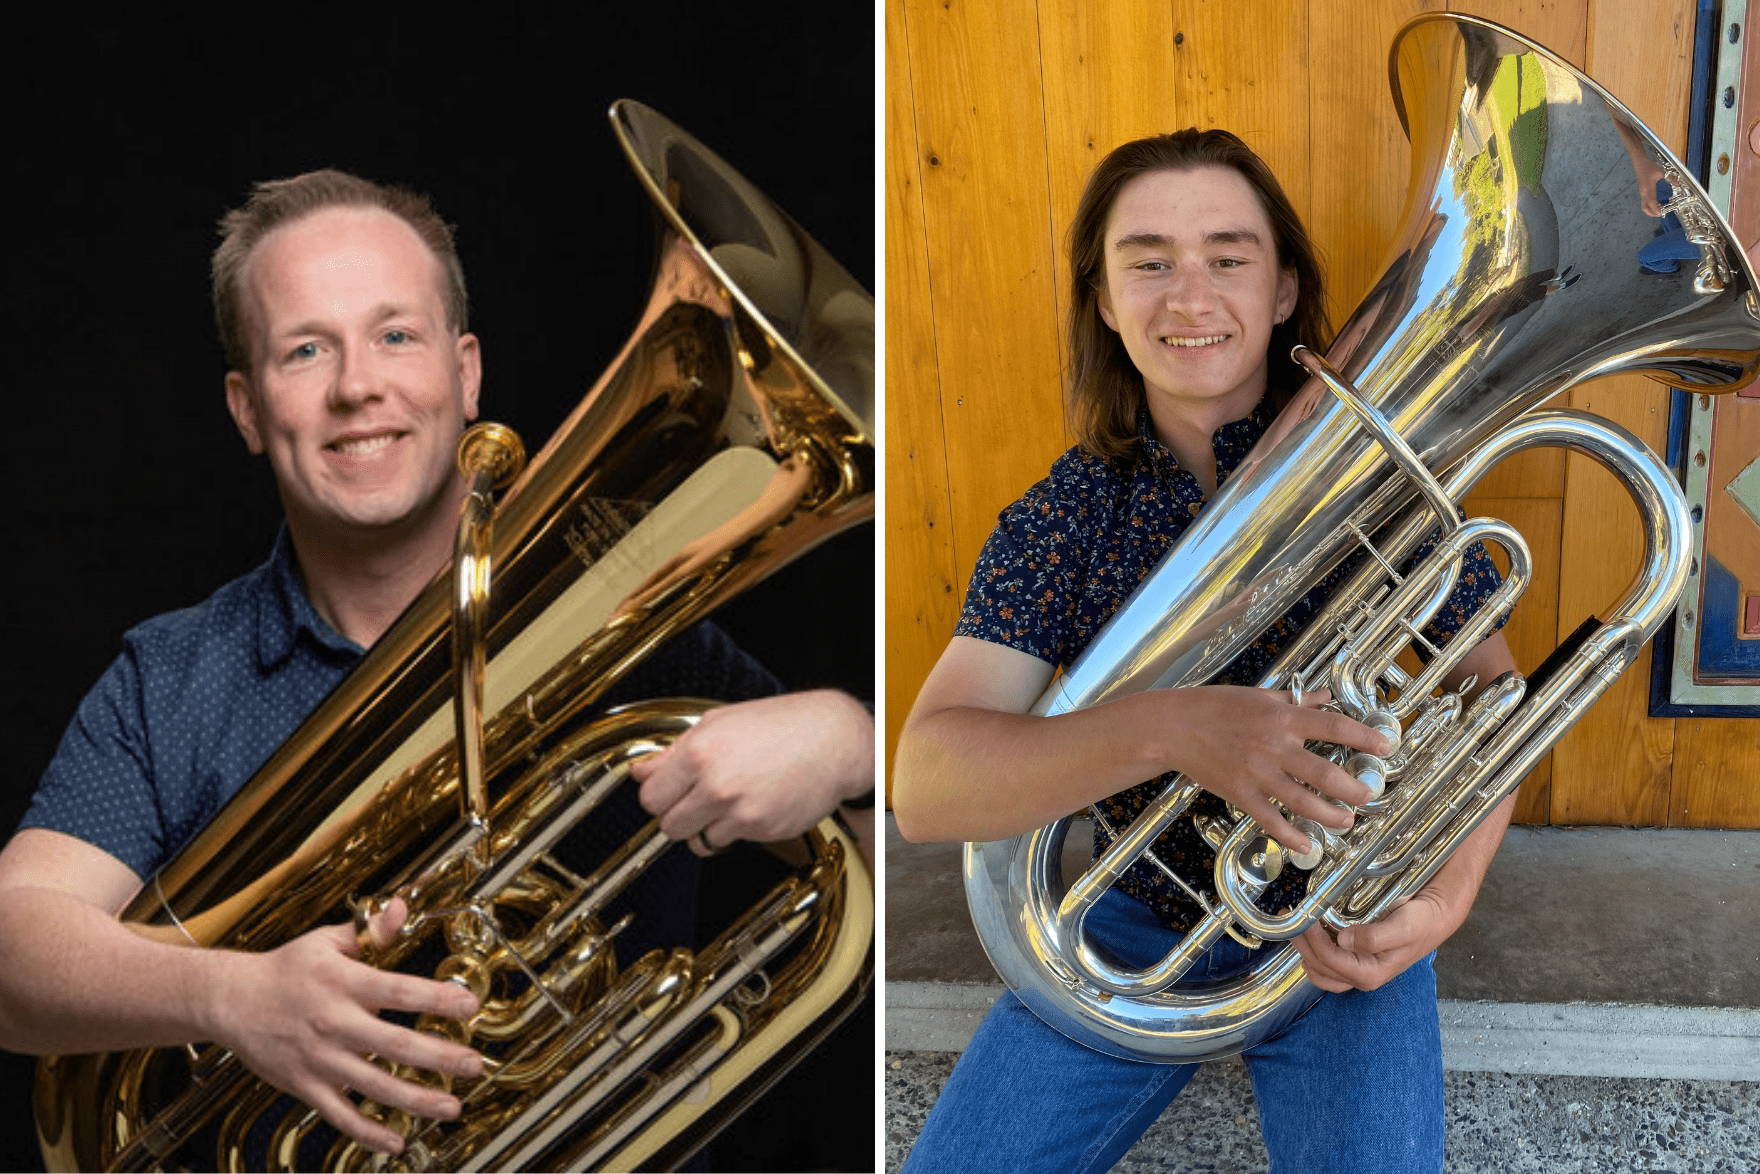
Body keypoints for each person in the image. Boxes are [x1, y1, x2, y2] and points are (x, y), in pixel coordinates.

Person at [0, 170, 874, 1160]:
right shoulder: (173, 678)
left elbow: (897, 875)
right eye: (303, 349)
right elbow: (13, 947)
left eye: (395, 335)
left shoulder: (648, 630)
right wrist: (229, 993)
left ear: (465, 375)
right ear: (246, 410)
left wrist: (855, 743)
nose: (356, 384)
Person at [891, 129, 1517, 1174]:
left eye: (1226, 258)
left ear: (1280, 293)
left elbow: (1495, 697)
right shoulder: (1063, 518)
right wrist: (1176, 728)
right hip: (1137, 933)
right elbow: (924, 784)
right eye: (1146, 260)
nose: (1188, 297)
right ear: (1101, 298)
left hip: (1343, 927)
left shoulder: (1378, 480)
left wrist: (1442, 899)